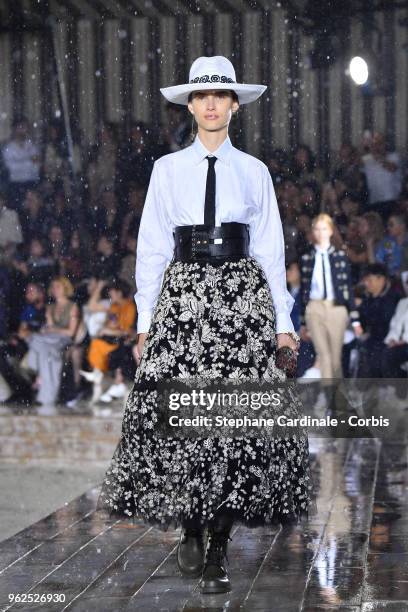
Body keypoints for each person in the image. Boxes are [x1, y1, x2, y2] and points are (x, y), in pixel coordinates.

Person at [97, 55, 317, 595]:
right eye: (202, 96)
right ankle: (191, 525)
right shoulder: (167, 170)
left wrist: (283, 325)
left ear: (235, 104)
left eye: (221, 95)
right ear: (191, 104)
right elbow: (150, 249)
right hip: (184, 300)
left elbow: (270, 251)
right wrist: (147, 321)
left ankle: (218, 545)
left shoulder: (255, 171)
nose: (212, 103)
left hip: (243, 303)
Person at [299, 214, 360, 406]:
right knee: (324, 355)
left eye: (324, 228)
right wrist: (302, 321)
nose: (320, 233)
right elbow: (305, 288)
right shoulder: (307, 256)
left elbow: (347, 288)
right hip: (315, 307)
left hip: (336, 307)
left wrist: (355, 319)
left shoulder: (340, 256)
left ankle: (338, 401)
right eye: (316, 229)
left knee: (334, 360)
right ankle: (331, 404)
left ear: (331, 231)